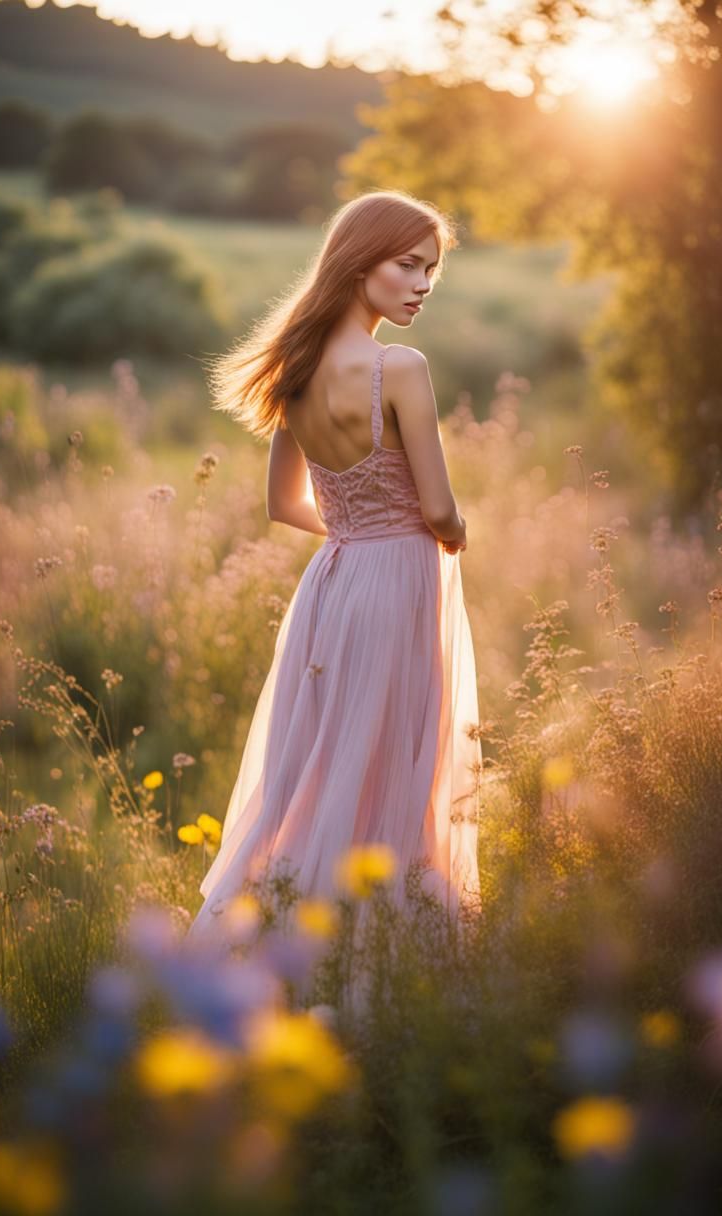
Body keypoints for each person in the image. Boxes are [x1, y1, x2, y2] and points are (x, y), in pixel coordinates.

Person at [186, 189, 482, 951]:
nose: (421, 285)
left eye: (431, 273)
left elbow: (284, 505)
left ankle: (288, 936)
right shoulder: (400, 367)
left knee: (322, 761)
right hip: (397, 581)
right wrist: (440, 530)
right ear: (360, 262)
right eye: (407, 265)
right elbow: (443, 513)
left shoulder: (296, 367)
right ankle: (384, 952)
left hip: (334, 582)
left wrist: (355, 526)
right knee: (391, 764)